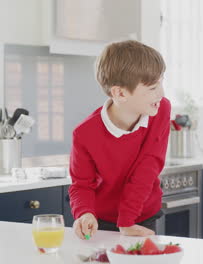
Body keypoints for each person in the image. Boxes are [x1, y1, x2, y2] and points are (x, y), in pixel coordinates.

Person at [69, 40, 171, 239]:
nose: (161, 93)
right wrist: (85, 213)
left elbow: (148, 165)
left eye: (161, 82)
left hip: (142, 215)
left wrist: (127, 221)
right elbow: (81, 184)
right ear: (120, 93)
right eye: (152, 88)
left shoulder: (160, 110)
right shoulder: (84, 134)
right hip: (102, 222)